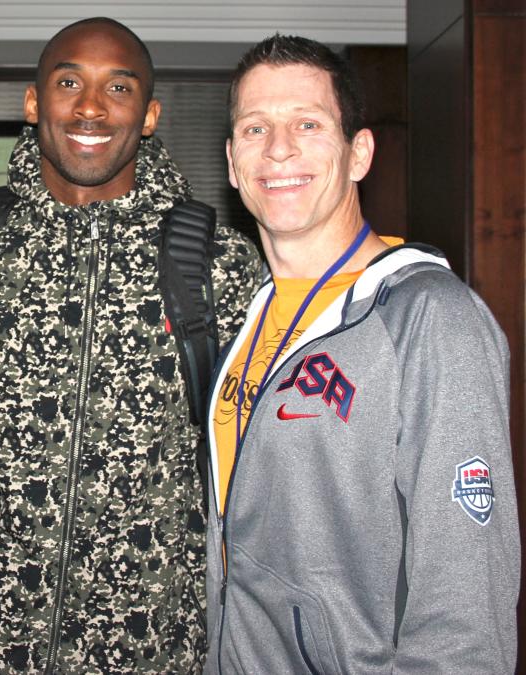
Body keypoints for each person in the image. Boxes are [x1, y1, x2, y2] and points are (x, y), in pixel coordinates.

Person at [0, 17, 264, 673]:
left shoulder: (216, 264)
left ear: (149, 114)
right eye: (69, 81)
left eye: (118, 87)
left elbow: (259, 472)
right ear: (34, 102)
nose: (91, 106)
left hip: (146, 651)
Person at [206, 34, 520, 672]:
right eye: (255, 127)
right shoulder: (252, 312)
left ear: (359, 153)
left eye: (309, 123)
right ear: (234, 163)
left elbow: (467, 598)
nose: (280, 148)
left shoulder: (431, 317)